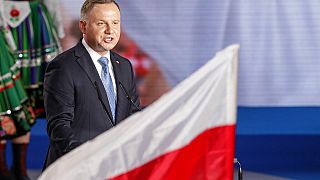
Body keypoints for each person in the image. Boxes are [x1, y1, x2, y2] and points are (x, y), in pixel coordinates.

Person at [43, 0, 140, 169]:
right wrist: (91, 160)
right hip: (77, 169)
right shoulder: (63, 66)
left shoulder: (124, 66)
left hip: (116, 168)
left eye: (115, 23)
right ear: (83, 26)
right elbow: (59, 128)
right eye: (101, 23)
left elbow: (134, 116)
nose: (110, 30)